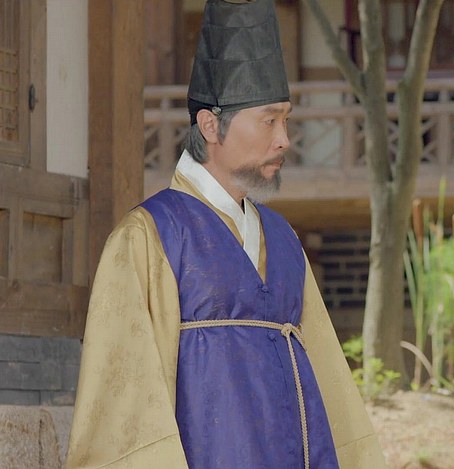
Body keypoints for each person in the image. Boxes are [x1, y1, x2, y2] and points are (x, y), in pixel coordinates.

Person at [67, 1, 386, 467]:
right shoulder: (150, 236)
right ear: (211, 124)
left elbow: (332, 389)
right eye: (269, 120)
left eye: (286, 120)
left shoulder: (282, 240)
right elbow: (127, 413)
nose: (284, 139)